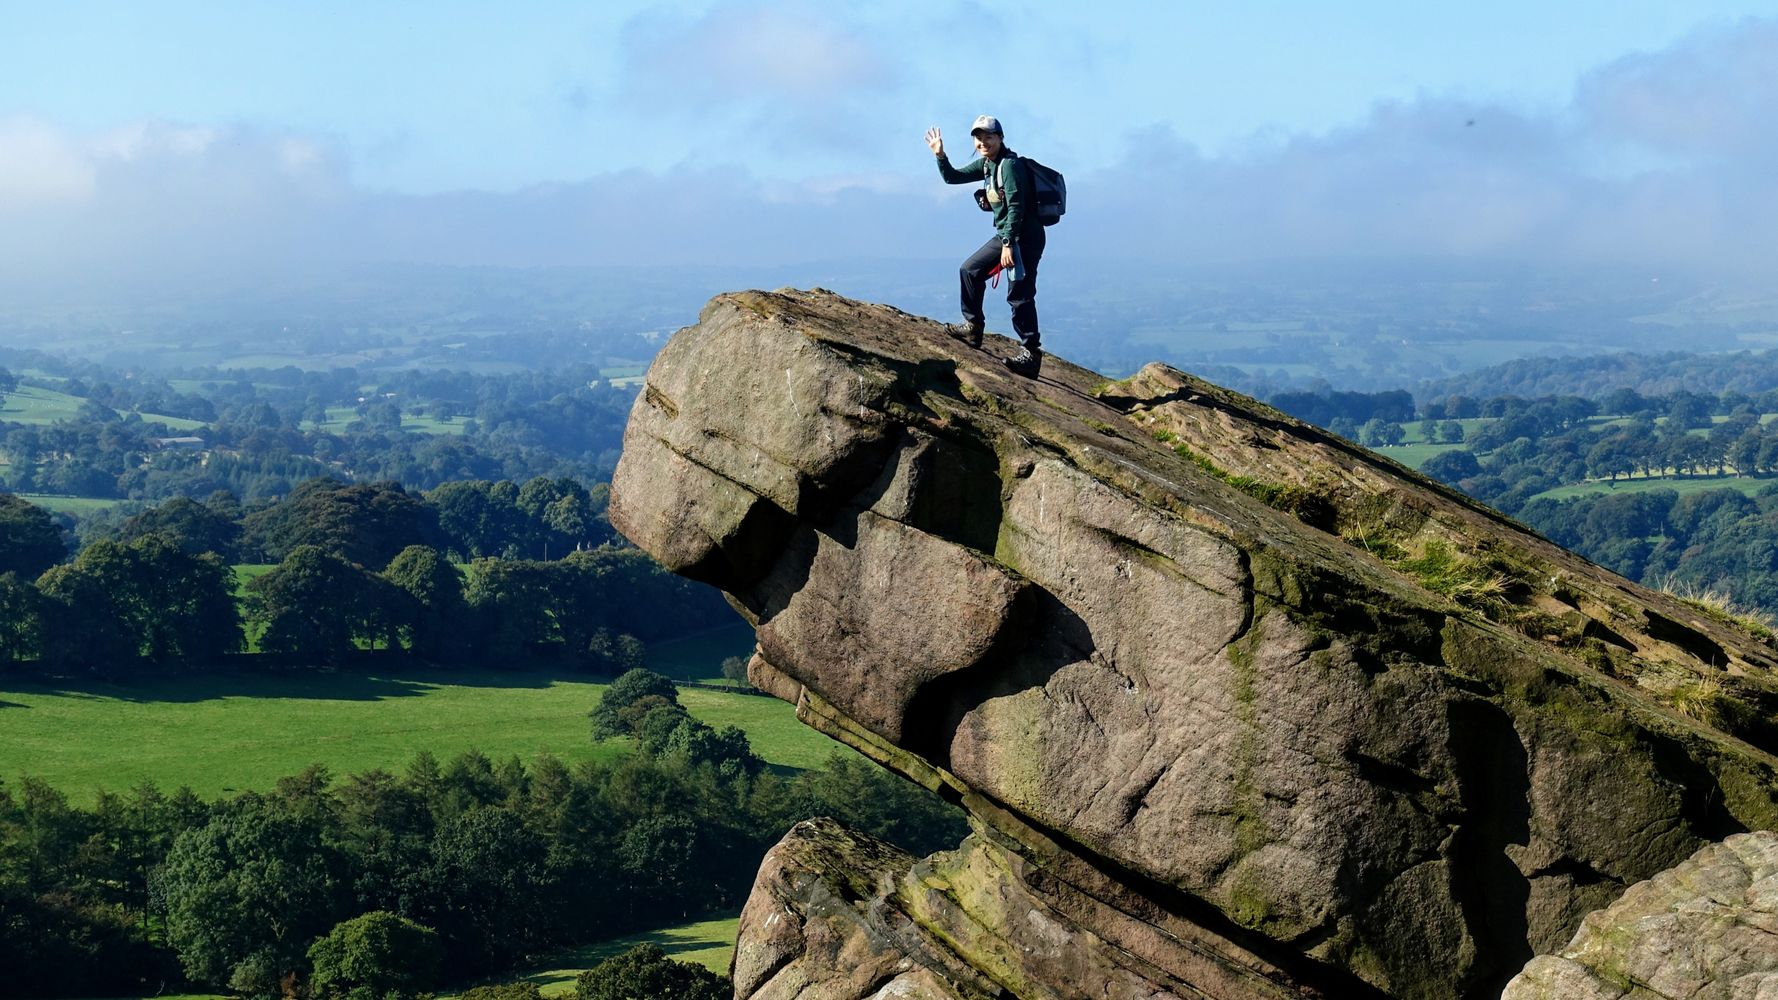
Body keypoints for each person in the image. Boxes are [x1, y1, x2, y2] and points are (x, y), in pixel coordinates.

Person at [925, 115, 1046, 377]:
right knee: (970, 270)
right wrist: (940, 155)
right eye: (978, 138)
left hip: (1023, 238)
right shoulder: (986, 165)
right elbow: (953, 177)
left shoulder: (1009, 166)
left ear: (1000, 138)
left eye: (988, 137)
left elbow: (1016, 207)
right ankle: (973, 328)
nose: (983, 142)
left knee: (1019, 294)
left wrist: (1008, 244)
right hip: (1007, 235)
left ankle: (1031, 354)